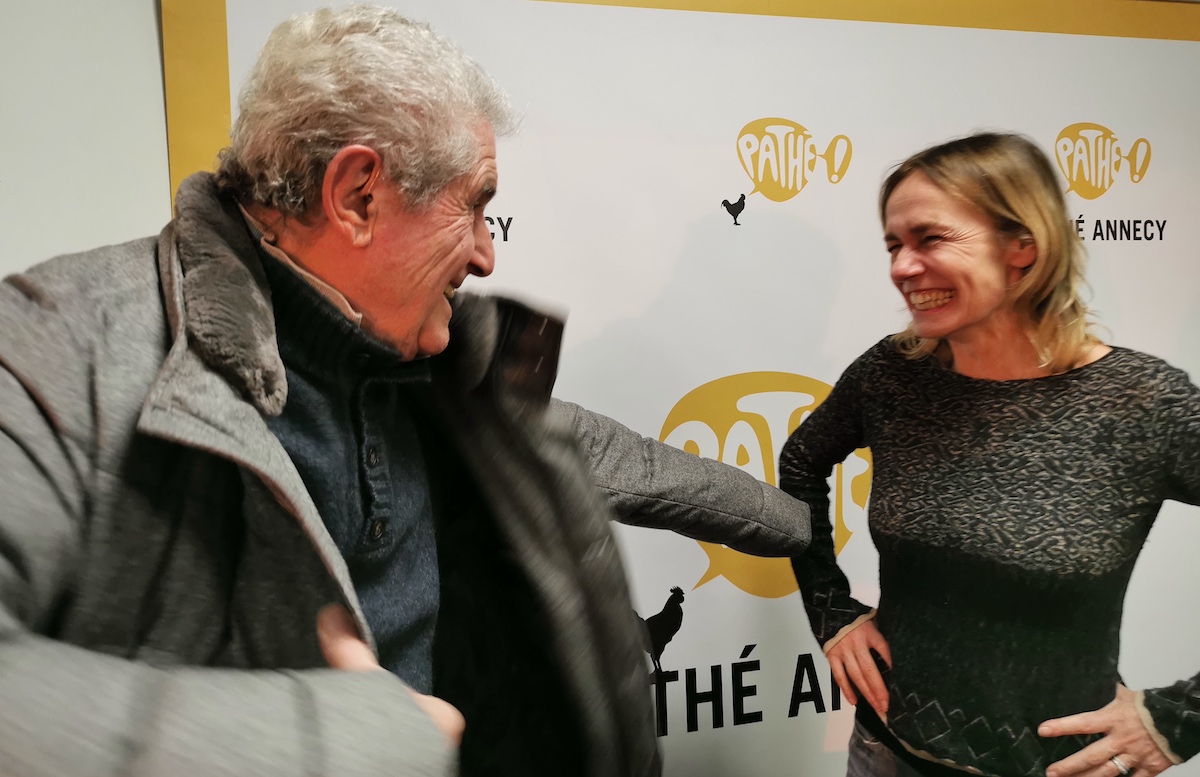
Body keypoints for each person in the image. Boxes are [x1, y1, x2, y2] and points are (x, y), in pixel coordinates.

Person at [0, 6, 813, 777]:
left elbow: (604, 452)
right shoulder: (54, 342)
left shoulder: (423, 361)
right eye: (476, 206)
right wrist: (350, 738)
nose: (488, 255)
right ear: (359, 195)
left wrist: (798, 525)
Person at [782, 132, 1200, 777]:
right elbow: (801, 464)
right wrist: (831, 609)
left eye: (930, 239)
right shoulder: (893, 375)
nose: (901, 267)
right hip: (887, 754)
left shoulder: (1144, 403)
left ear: (1022, 247)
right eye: (894, 245)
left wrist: (1181, 719)